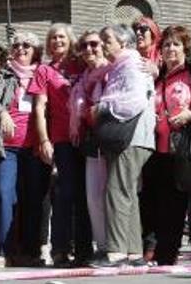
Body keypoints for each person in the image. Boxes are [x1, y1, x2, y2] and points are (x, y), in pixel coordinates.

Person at [0, 31, 48, 269]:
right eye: (17, 45)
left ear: (35, 50)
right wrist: (2, 112)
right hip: (8, 148)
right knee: (3, 194)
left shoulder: (43, 73)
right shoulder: (5, 76)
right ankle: (2, 251)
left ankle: (30, 251)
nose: (21, 49)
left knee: (33, 200)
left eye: (27, 45)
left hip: (34, 149)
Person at [89, 25, 154, 268]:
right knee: (127, 194)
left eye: (107, 40)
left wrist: (103, 106)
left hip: (132, 137)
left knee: (116, 191)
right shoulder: (122, 65)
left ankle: (116, 253)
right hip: (133, 138)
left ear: (123, 43)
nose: (102, 44)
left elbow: (134, 101)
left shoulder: (131, 64)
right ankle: (134, 252)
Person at [29, 23, 89, 268]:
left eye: (61, 37)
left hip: (87, 137)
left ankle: (85, 249)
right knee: (65, 193)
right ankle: (60, 249)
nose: (57, 41)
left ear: (70, 39)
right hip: (62, 139)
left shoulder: (82, 63)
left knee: (87, 194)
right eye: (53, 38)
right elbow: (39, 107)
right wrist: (44, 139)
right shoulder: (44, 70)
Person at [140, 25, 191, 266]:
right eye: (165, 45)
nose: (170, 48)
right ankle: (152, 248)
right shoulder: (157, 78)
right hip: (154, 148)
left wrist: (190, 114)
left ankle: (167, 254)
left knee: (174, 204)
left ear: (185, 48)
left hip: (181, 149)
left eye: (175, 44)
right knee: (153, 202)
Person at [69, 30, 108, 260]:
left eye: (94, 44)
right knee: (93, 196)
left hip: (114, 141)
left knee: (113, 196)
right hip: (92, 141)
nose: (89, 49)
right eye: (84, 46)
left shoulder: (113, 70)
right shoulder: (84, 78)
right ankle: (102, 247)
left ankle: (120, 246)